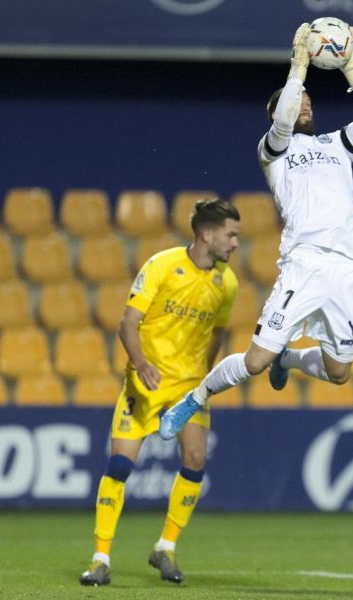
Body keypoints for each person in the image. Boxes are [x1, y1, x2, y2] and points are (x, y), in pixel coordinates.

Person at [159, 22, 353, 439]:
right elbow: (283, 123)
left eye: (308, 100)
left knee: (340, 373)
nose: (305, 104)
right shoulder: (275, 151)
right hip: (305, 262)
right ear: (276, 112)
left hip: (345, 270)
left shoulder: (334, 146)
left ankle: (292, 359)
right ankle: (194, 399)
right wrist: (298, 68)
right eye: (296, 100)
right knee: (254, 361)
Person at [79, 198, 240, 587]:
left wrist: (205, 375)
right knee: (120, 466)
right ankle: (100, 557)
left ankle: (165, 547)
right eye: (231, 235)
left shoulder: (227, 284)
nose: (236, 243)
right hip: (145, 381)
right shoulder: (161, 265)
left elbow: (218, 330)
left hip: (188, 387)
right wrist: (141, 365)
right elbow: (127, 323)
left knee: (196, 459)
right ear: (206, 234)